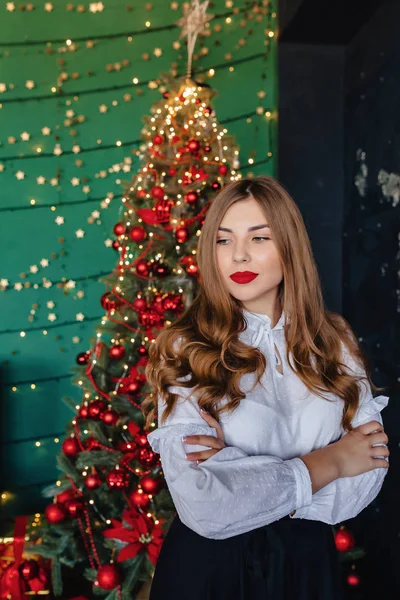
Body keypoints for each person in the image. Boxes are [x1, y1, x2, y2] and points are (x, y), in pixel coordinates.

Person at [142, 176, 390, 600]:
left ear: (289, 247)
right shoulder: (185, 348)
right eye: (223, 240)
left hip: (309, 568)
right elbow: (206, 505)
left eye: (259, 237)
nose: (238, 254)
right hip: (213, 571)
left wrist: (241, 471)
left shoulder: (335, 340)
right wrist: (329, 461)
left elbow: (367, 469)